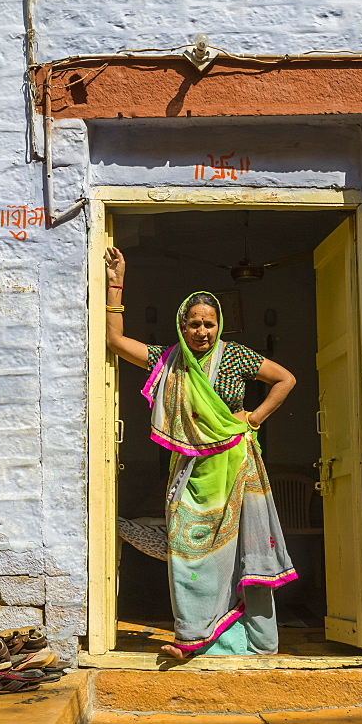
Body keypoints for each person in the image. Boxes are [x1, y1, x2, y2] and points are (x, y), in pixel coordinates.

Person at [104, 246, 297, 658]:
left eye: (209, 324)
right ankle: (194, 633)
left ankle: (250, 639)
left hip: (237, 468)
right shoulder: (170, 361)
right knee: (187, 552)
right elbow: (115, 341)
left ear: (219, 324)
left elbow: (285, 379)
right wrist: (116, 282)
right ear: (182, 326)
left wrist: (254, 418)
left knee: (239, 551)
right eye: (194, 324)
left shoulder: (235, 356)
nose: (202, 332)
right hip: (190, 472)